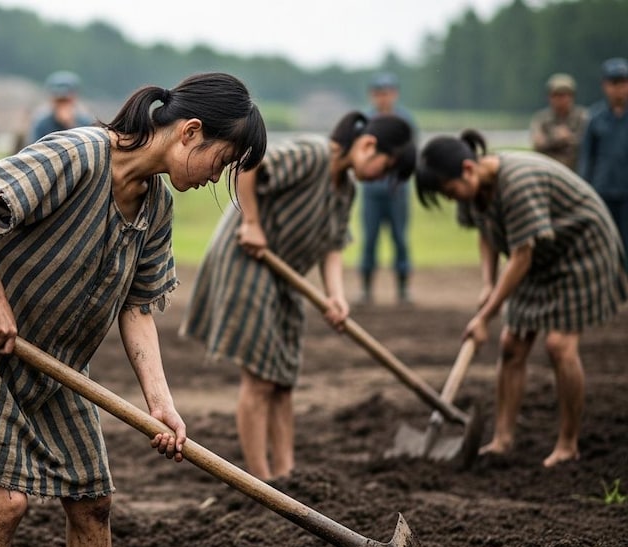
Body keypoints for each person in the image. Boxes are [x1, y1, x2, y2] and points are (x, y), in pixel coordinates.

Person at [0, 72, 266, 547]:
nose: (214, 178)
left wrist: (161, 404)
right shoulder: (80, 153)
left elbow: (136, 307)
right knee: (6, 504)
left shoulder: (155, 207)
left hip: (52, 361)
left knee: (93, 500)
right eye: (220, 163)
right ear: (191, 131)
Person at [180, 112, 415, 481]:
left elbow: (332, 246)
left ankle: (287, 474)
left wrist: (335, 297)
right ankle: (261, 481)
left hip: (285, 277)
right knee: (259, 378)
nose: (382, 179)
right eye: (386, 169)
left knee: (284, 380)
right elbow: (247, 167)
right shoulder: (311, 155)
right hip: (248, 260)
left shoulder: (346, 189)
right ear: (368, 146)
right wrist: (253, 223)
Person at [415, 130, 628, 468]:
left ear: (468, 169)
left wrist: (485, 315)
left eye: (451, 191)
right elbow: (484, 232)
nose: (453, 199)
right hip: (539, 254)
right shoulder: (471, 192)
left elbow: (521, 256)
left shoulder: (517, 183)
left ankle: (568, 444)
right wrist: (487, 281)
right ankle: (502, 440)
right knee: (512, 344)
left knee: (559, 345)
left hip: (580, 250)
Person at [358, 73, 418, 304]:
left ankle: (403, 288)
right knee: (370, 238)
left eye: (387, 92)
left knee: (400, 238)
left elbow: (411, 154)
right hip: (372, 191)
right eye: (379, 93)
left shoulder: (405, 121)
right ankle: (366, 288)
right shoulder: (366, 120)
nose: (383, 98)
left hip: (398, 190)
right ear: (373, 95)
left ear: (395, 94)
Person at [579, 57, 628, 271]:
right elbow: (586, 157)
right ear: (605, 86)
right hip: (603, 191)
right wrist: (584, 189)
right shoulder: (595, 118)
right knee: (604, 243)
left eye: (623, 82)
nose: (619, 89)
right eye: (614, 83)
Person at [529, 73, 589, 171]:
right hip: (549, 170)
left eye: (564, 95)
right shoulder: (541, 118)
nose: (560, 100)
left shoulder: (583, 117)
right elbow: (538, 143)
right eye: (556, 95)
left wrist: (569, 138)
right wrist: (556, 138)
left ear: (572, 96)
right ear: (549, 97)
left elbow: (588, 143)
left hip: (576, 171)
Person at [29, 70, 95, 143]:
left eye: (66, 101)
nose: (63, 105)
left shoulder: (85, 122)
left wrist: (70, 124)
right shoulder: (42, 123)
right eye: (59, 101)